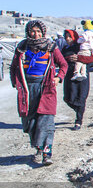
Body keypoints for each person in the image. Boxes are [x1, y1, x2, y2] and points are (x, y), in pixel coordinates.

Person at [10, 20, 68, 165]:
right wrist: (16, 83)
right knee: (30, 121)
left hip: (46, 87)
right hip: (27, 89)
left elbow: (63, 65)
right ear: (28, 32)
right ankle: (38, 149)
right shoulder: (22, 47)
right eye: (33, 31)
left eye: (38, 32)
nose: (36, 35)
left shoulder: (50, 47)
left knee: (46, 120)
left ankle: (47, 153)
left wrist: (58, 77)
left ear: (43, 33)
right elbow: (13, 67)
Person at [62, 29, 93, 131]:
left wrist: (78, 58)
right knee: (68, 98)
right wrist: (69, 59)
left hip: (82, 77)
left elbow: (91, 59)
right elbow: (60, 59)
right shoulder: (64, 48)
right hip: (69, 77)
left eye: (70, 36)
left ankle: (78, 121)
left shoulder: (81, 46)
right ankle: (78, 110)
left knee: (81, 98)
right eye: (66, 37)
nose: (68, 39)